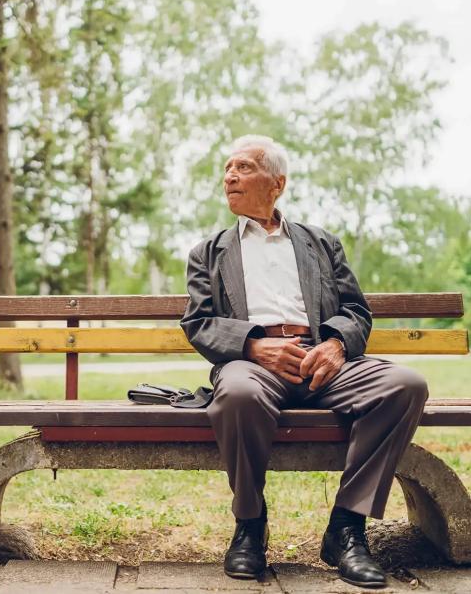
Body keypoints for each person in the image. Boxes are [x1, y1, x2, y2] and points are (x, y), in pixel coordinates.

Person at [180, 135, 429, 588]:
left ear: (276, 183)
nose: (229, 176)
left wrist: (334, 345)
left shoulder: (321, 243)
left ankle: (347, 529)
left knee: (405, 385)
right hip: (253, 366)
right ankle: (250, 525)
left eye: (243, 167)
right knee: (237, 391)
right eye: (227, 168)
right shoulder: (209, 251)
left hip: (324, 364)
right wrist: (254, 345)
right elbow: (198, 322)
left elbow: (356, 311)